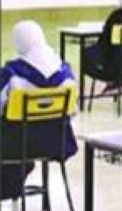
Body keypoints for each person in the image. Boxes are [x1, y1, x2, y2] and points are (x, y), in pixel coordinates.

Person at [1, 21, 78, 200]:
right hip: (56, 143)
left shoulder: (12, 74)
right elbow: (73, 111)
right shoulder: (66, 73)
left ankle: (9, 188)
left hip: (15, 145)